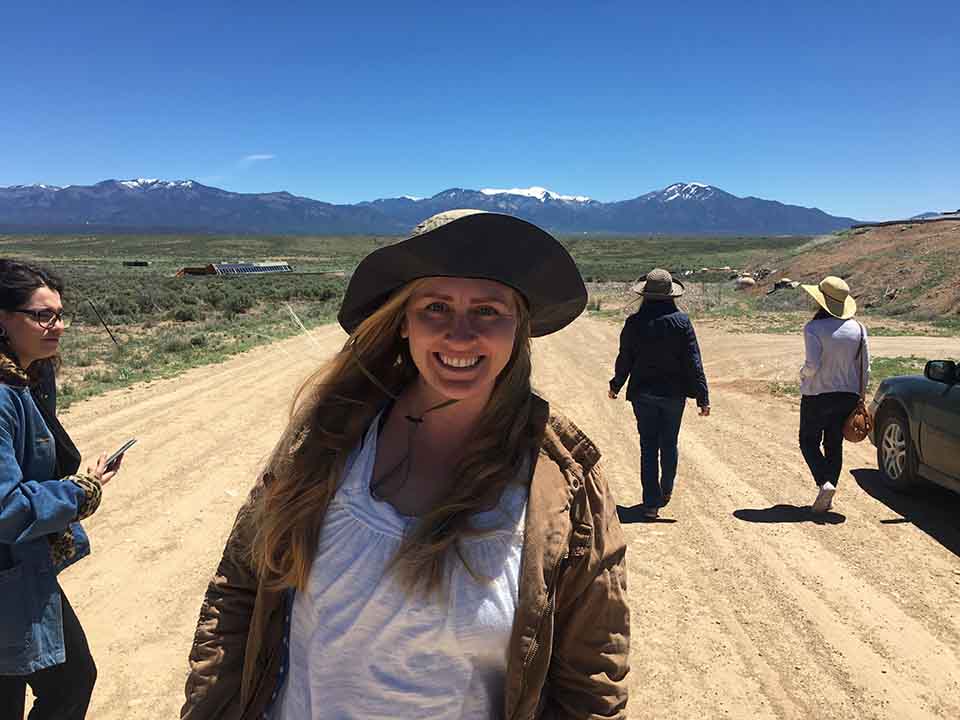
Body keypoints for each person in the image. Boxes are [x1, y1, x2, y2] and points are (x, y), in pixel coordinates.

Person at [181, 210, 630, 720]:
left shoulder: (562, 481)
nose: (460, 336)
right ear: (402, 322)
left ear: (519, 329)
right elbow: (239, 594)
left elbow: (591, 678)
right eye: (436, 307)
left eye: (488, 311)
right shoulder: (325, 444)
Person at [0, 259, 122, 720]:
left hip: (17, 567)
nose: (58, 326)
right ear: (3, 319)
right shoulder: (2, 396)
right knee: (69, 682)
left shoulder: (25, 379)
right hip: (7, 573)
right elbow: (5, 507)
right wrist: (78, 492)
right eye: (42, 315)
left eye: (60, 314)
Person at [608, 268, 710, 519]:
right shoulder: (682, 322)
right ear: (671, 295)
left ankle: (651, 503)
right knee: (669, 443)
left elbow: (626, 358)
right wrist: (702, 397)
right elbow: (693, 361)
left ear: (645, 294)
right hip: (674, 395)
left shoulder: (634, 322)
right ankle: (666, 490)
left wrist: (616, 384)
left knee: (648, 446)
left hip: (643, 393)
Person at [798, 276, 870, 513]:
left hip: (817, 393)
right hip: (848, 395)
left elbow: (813, 364)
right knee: (834, 444)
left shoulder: (814, 328)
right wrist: (861, 396)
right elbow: (865, 368)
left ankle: (824, 482)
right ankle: (828, 493)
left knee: (808, 441)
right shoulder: (859, 329)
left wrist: (802, 374)